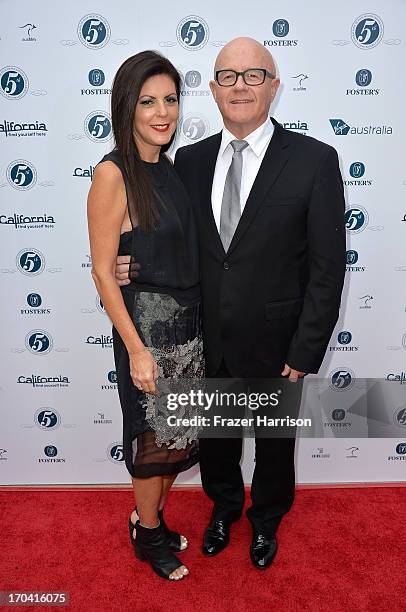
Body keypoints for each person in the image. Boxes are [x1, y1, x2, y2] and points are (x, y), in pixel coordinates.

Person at [115, 37, 346, 570]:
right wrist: (130, 264)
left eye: (253, 75)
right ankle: (222, 510)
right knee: (217, 442)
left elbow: (327, 270)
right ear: (214, 90)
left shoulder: (314, 160)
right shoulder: (188, 162)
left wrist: (306, 347)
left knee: (273, 446)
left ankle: (266, 520)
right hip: (205, 338)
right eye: (228, 76)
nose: (239, 85)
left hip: (278, 340)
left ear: (274, 85)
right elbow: (167, 238)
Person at [87, 51, 204, 581]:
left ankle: (145, 520)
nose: (163, 113)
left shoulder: (170, 168)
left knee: (176, 442)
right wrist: (135, 349)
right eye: (148, 101)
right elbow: (104, 272)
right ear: (126, 107)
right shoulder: (112, 174)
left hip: (187, 330)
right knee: (152, 446)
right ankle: (150, 534)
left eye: (171, 99)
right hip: (148, 334)